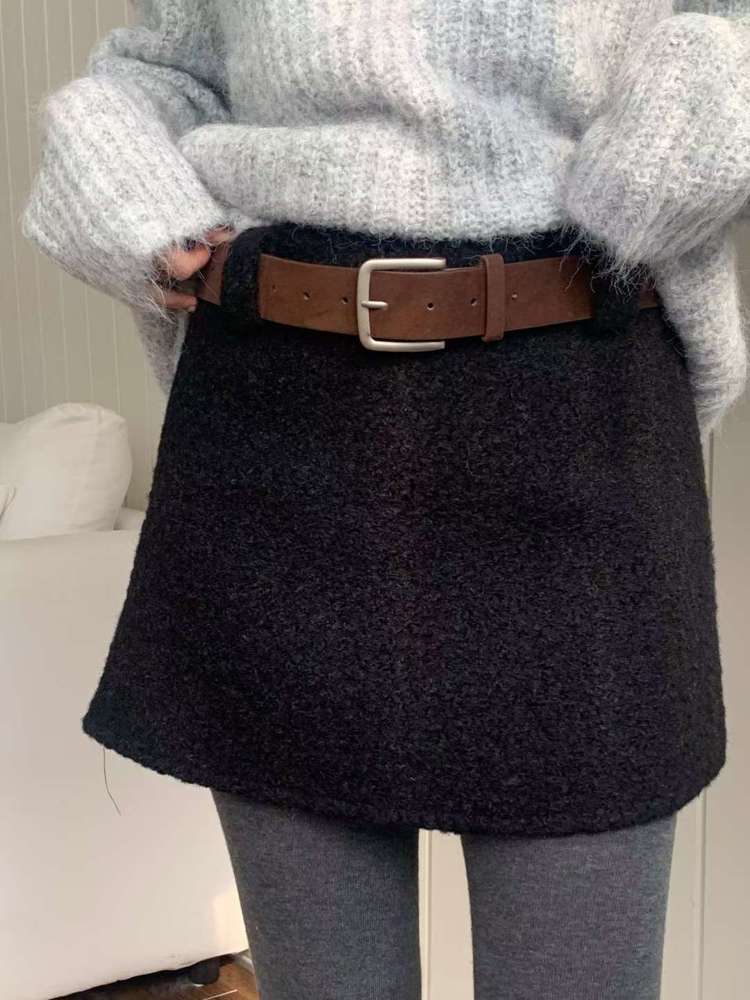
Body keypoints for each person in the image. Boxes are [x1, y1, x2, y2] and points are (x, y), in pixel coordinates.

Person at [22, 3, 750, 998]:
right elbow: (164, 67)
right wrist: (120, 177)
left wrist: (693, 121)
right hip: (277, 430)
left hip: (579, 406)